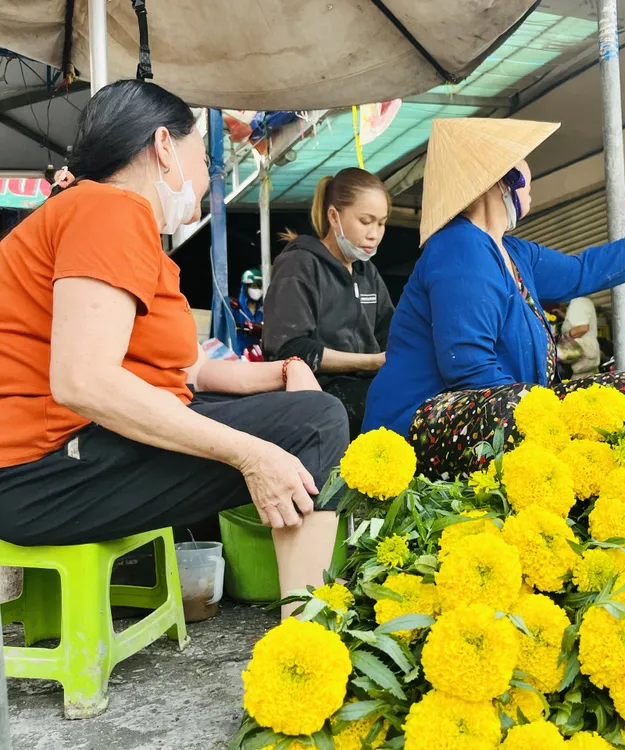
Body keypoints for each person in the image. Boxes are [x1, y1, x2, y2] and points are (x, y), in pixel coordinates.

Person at [0, 79, 350, 617]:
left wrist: (286, 372)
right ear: (164, 145)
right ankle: (307, 632)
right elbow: (83, 381)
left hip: (56, 461)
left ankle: (306, 610)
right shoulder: (108, 209)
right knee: (316, 424)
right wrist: (251, 453)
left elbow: (191, 371)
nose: (208, 177)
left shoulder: (104, 218)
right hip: (40, 473)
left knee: (302, 412)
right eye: (202, 157)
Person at [362, 118, 625, 476]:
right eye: (525, 171)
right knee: (532, 407)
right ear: (504, 181)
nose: (532, 186)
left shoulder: (515, 253)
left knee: (624, 390)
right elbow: (469, 365)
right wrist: (547, 420)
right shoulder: (458, 247)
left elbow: (581, 271)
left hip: (497, 406)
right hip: (420, 422)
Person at [264, 169, 394, 438]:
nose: (374, 234)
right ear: (334, 216)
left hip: (369, 390)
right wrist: (371, 362)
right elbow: (291, 350)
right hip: (318, 398)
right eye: (365, 221)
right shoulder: (299, 264)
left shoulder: (367, 273)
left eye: (381, 223)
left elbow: (390, 335)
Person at [232, 268, 264, 356]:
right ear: (245, 287)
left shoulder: (264, 309)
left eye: (260, 287)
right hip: (240, 353)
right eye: (254, 286)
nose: (258, 290)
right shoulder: (235, 307)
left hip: (258, 354)